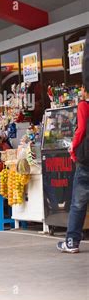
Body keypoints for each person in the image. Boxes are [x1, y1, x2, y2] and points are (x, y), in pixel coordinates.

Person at [57, 85, 89, 253]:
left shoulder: (84, 105)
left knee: (78, 203)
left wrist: (73, 149)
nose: (81, 91)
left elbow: (81, 129)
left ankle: (72, 242)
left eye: (83, 88)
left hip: (86, 161)